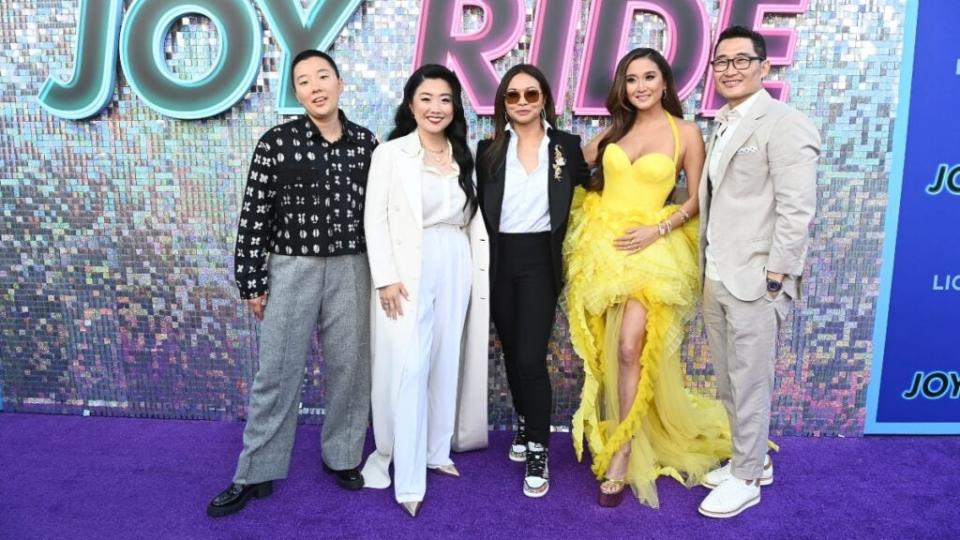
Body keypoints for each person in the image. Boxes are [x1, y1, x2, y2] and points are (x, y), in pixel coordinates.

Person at [207, 50, 377, 517]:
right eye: (304, 81)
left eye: (323, 76)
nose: (316, 86)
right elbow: (254, 215)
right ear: (296, 92)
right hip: (291, 267)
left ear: (340, 83)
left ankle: (342, 456)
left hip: (353, 267)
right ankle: (254, 471)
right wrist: (252, 280)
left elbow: (383, 216)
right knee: (276, 372)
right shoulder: (276, 143)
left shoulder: (367, 144)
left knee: (352, 366)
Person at [564, 47, 731, 508]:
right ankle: (621, 428)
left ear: (665, 82)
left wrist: (659, 228)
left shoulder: (687, 133)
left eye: (649, 77)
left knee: (629, 344)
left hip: (653, 246)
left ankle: (623, 449)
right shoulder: (617, 129)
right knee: (610, 349)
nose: (640, 86)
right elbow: (577, 169)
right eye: (631, 79)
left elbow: (697, 198)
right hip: (602, 246)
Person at [697, 26, 819, 519]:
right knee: (729, 380)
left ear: (765, 67)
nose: (730, 70)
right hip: (718, 272)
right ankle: (750, 460)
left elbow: (797, 210)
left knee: (750, 382)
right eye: (721, 62)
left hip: (755, 279)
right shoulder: (722, 123)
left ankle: (746, 477)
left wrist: (777, 277)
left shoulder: (785, 123)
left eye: (741, 60)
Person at [360, 64, 490, 518]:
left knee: (444, 358)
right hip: (409, 266)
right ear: (410, 104)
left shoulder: (462, 153)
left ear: (454, 107)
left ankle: (437, 451)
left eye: (445, 99)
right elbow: (374, 219)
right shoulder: (391, 154)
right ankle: (408, 478)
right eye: (426, 98)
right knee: (411, 366)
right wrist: (385, 277)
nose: (435, 108)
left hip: (455, 258)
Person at [475, 64, 589, 498]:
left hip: (541, 261)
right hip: (500, 260)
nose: (522, 102)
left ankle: (538, 446)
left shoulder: (566, 146)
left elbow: (594, 185)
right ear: (503, 103)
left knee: (529, 357)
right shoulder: (487, 150)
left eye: (531, 94)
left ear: (544, 100)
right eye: (513, 96)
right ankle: (524, 425)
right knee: (510, 353)